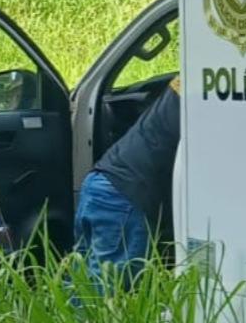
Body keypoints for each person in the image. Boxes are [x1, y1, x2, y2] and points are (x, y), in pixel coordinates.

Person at [74, 77, 180, 288]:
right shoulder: (206, 86)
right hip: (124, 198)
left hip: (104, 184)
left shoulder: (189, 79)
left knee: (83, 291)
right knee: (108, 302)